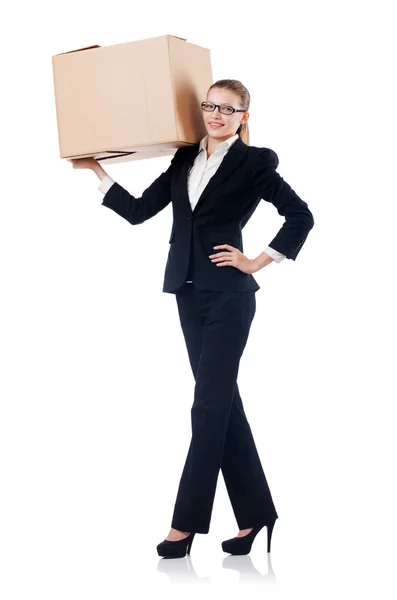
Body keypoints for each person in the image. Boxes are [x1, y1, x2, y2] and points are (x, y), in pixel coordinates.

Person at [68, 79, 315, 559]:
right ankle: (256, 515)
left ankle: (184, 526)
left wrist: (256, 260)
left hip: (229, 298)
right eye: (210, 105)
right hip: (186, 292)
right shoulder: (185, 157)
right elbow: (141, 212)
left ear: (244, 115)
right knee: (223, 407)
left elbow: (301, 216)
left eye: (228, 108)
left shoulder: (255, 161)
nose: (216, 114)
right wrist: (96, 170)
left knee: (206, 407)